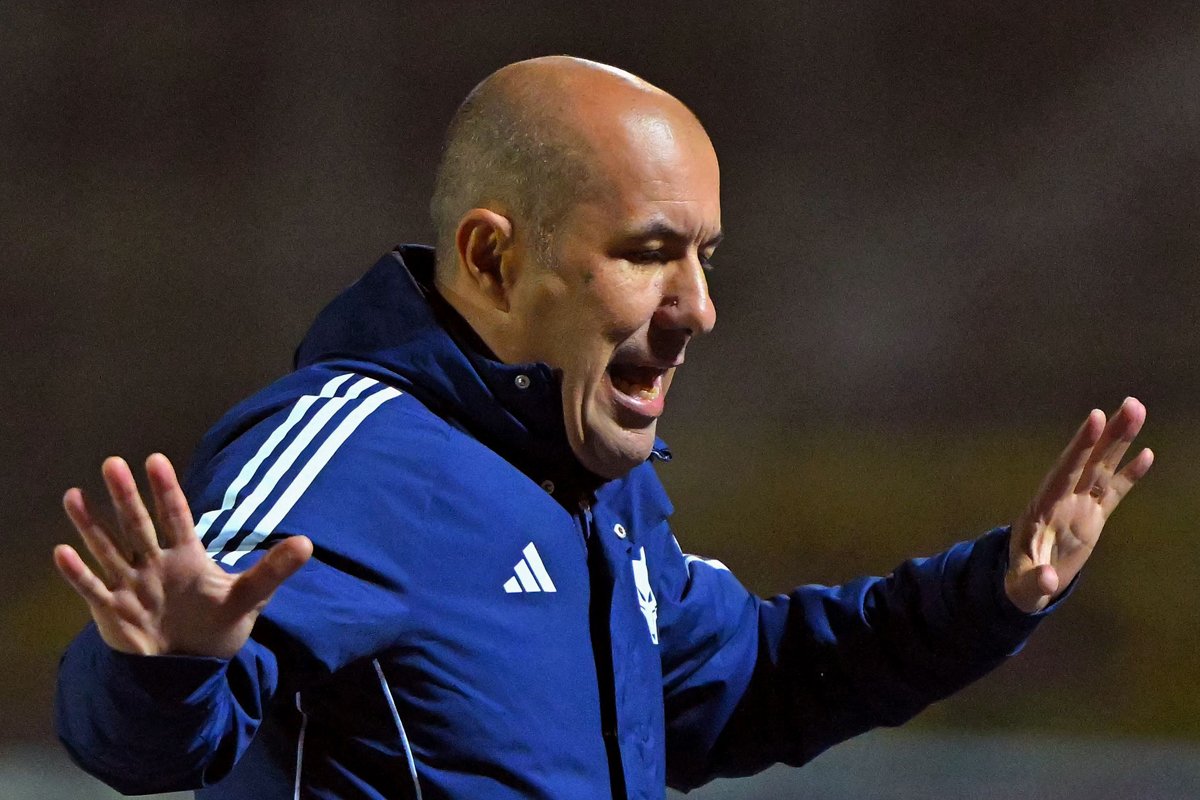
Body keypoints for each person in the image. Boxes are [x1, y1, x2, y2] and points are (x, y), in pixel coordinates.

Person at [52, 56, 1153, 800]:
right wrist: (162, 664)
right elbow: (140, 740)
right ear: (493, 256)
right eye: (648, 251)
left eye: (704, 257)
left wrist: (995, 591)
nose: (699, 307)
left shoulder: (595, 488)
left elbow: (745, 683)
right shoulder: (353, 455)